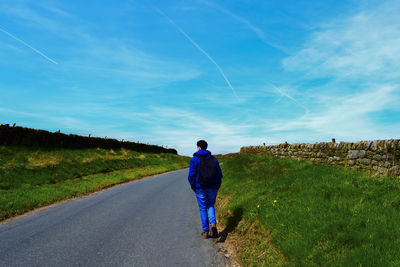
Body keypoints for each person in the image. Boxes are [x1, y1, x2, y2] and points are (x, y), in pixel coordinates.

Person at [188, 140, 223, 239]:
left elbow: (191, 176)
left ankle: (205, 231)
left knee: (203, 208)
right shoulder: (213, 159)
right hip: (212, 187)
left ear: (198, 147)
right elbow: (219, 175)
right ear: (206, 147)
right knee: (211, 205)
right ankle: (213, 224)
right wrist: (217, 186)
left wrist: (194, 187)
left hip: (200, 187)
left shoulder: (195, 159)